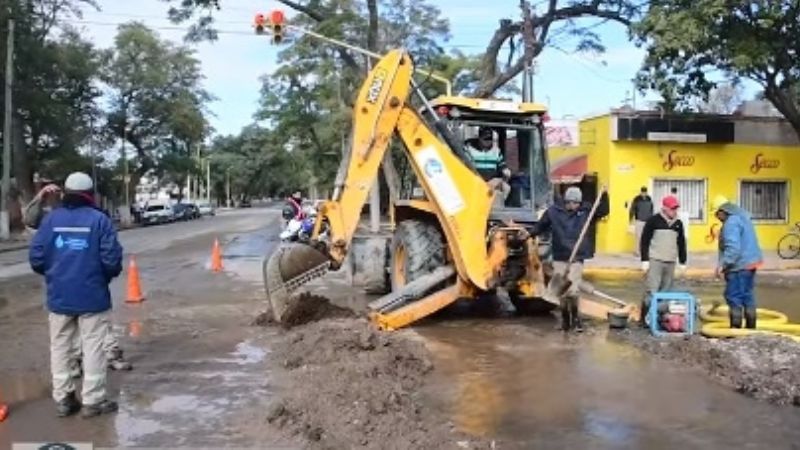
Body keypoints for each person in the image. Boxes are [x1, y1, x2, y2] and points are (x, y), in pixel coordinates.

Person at [29, 172, 123, 417]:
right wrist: (101, 278)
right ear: (90, 194)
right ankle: (93, 401)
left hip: (59, 296)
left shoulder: (51, 220)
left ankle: (64, 399)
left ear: (65, 192)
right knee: (93, 346)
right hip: (92, 295)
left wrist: (55, 275)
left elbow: (36, 259)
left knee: (59, 346)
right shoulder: (99, 220)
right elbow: (112, 260)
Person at [23, 179, 133, 373]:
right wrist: (40, 198)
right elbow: (30, 221)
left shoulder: (93, 217)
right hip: (78, 286)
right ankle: (79, 369)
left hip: (75, 286)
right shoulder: (50, 217)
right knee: (84, 337)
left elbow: (37, 260)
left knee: (88, 332)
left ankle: (107, 356)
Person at [533, 185, 610, 331]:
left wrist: (605, 196)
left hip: (577, 257)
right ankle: (565, 321)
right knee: (562, 290)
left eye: (575, 203)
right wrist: (530, 234)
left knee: (573, 289)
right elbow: (540, 226)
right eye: (569, 203)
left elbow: (603, 210)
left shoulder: (586, 211)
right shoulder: (554, 212)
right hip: (560, 255)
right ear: (565, 201)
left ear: (579, 203)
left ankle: (575, 320)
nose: (572, 206)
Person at [712, 195, 763, 329]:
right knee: (747, 294)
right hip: (751, 262)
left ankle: (736, 331)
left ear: (723, 211)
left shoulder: (731, 223)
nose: (717, 217)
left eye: (716, 213)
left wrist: (723, 265)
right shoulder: (743, 218)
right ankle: (751, 329)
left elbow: (733, 248)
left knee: (733, 296)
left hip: (739, 266)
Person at [639, 195, 687, 323]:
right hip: (655, 259)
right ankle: (644, 318)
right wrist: (645, 260)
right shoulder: (653, 221)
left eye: (676, 208)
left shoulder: (678, 223)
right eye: (672, 208)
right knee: (651, 289)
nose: (674, 211)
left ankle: (660, 317)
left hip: (670, 261)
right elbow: (645, 240)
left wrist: (682, 261)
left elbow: (681, 243)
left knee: (666, 290)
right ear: (664, 208)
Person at [465, 127, 511, 202]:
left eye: (490, 139)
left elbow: (502, 166)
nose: (488, 141)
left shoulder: (496, 151)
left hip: (493, 182)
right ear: (479, 138)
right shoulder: (469, 149)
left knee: (506, 188)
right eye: (485, 139)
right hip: (475, 181)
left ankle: (499, 207)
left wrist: (505, 171)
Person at [629, 186, 654, 256]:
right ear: (641, 192)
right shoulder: (637, 199)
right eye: (643, 192)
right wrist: (631, 219)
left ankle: (645, 251)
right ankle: (637, 251)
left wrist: (651, 219)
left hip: (647, 220)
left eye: (645, 192)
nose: (644, 194)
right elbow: (632, 209)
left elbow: (651, 210)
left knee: (646, 237)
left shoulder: (649, 199)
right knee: (638, 236)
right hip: (639, 220)